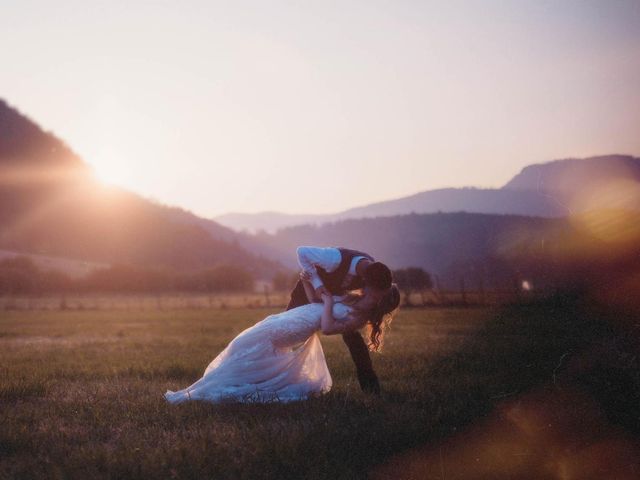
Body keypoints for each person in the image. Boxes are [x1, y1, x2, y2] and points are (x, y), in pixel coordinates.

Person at [164, 280, 400, 404]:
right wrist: (308, 282)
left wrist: (328, 302)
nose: (370, 289)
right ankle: (212, 388)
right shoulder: (351, 300)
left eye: (378, 291)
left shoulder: (359, 318)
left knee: (245, 350)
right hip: (288, 319)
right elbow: (315, 302)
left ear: (380, 300)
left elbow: (327, 328)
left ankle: (216, 392)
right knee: (241, 347)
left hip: (295, 328)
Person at [287, 246, 393, 394]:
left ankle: (370, 386)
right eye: (374, 294)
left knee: (354, 339)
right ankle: (283, 375)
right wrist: (318, 284)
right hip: (306, 291)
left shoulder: (375, 271)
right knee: (287, 333)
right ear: (366, 281)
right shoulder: (333, 259)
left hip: (335, 299)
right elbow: (301, 252)